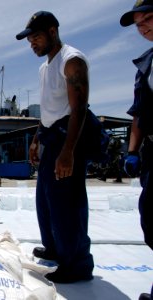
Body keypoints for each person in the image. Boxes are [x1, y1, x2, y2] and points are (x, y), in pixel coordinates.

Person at [16, 11, 94, 283]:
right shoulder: (44, 67)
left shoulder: (71, 60)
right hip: (51, 135)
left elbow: (79, 108)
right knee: (46, 199)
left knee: (67, 201)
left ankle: (78, 264)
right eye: (29, 40)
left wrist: (68, 150)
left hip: (69, 136)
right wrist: (37, 138)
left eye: (36, 37)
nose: (32, 44)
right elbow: (48, 109)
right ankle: (55, 248)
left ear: (52, 31)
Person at [120, 1, 153, 299]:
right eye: (138, 23)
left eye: (150, 18)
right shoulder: (146, 64)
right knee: (151, 218)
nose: (143, 26)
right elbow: (139, 114)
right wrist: (133, 151)